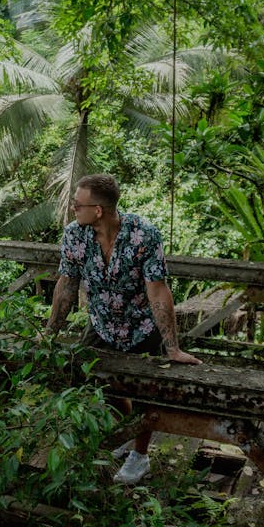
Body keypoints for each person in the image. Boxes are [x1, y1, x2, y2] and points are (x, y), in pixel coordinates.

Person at [46, 173, 201, 485]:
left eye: (78, 204)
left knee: (147, 391)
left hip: (142, 326)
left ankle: (140, 455)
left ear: (99, 210)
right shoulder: (75, 236)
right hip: (102, 324)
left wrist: (172, 347)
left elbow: (157, 289)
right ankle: (128, 432)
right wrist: (49, 334)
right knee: (95, 379)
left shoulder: (144, 234)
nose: (73, 208)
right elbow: (66, 285)